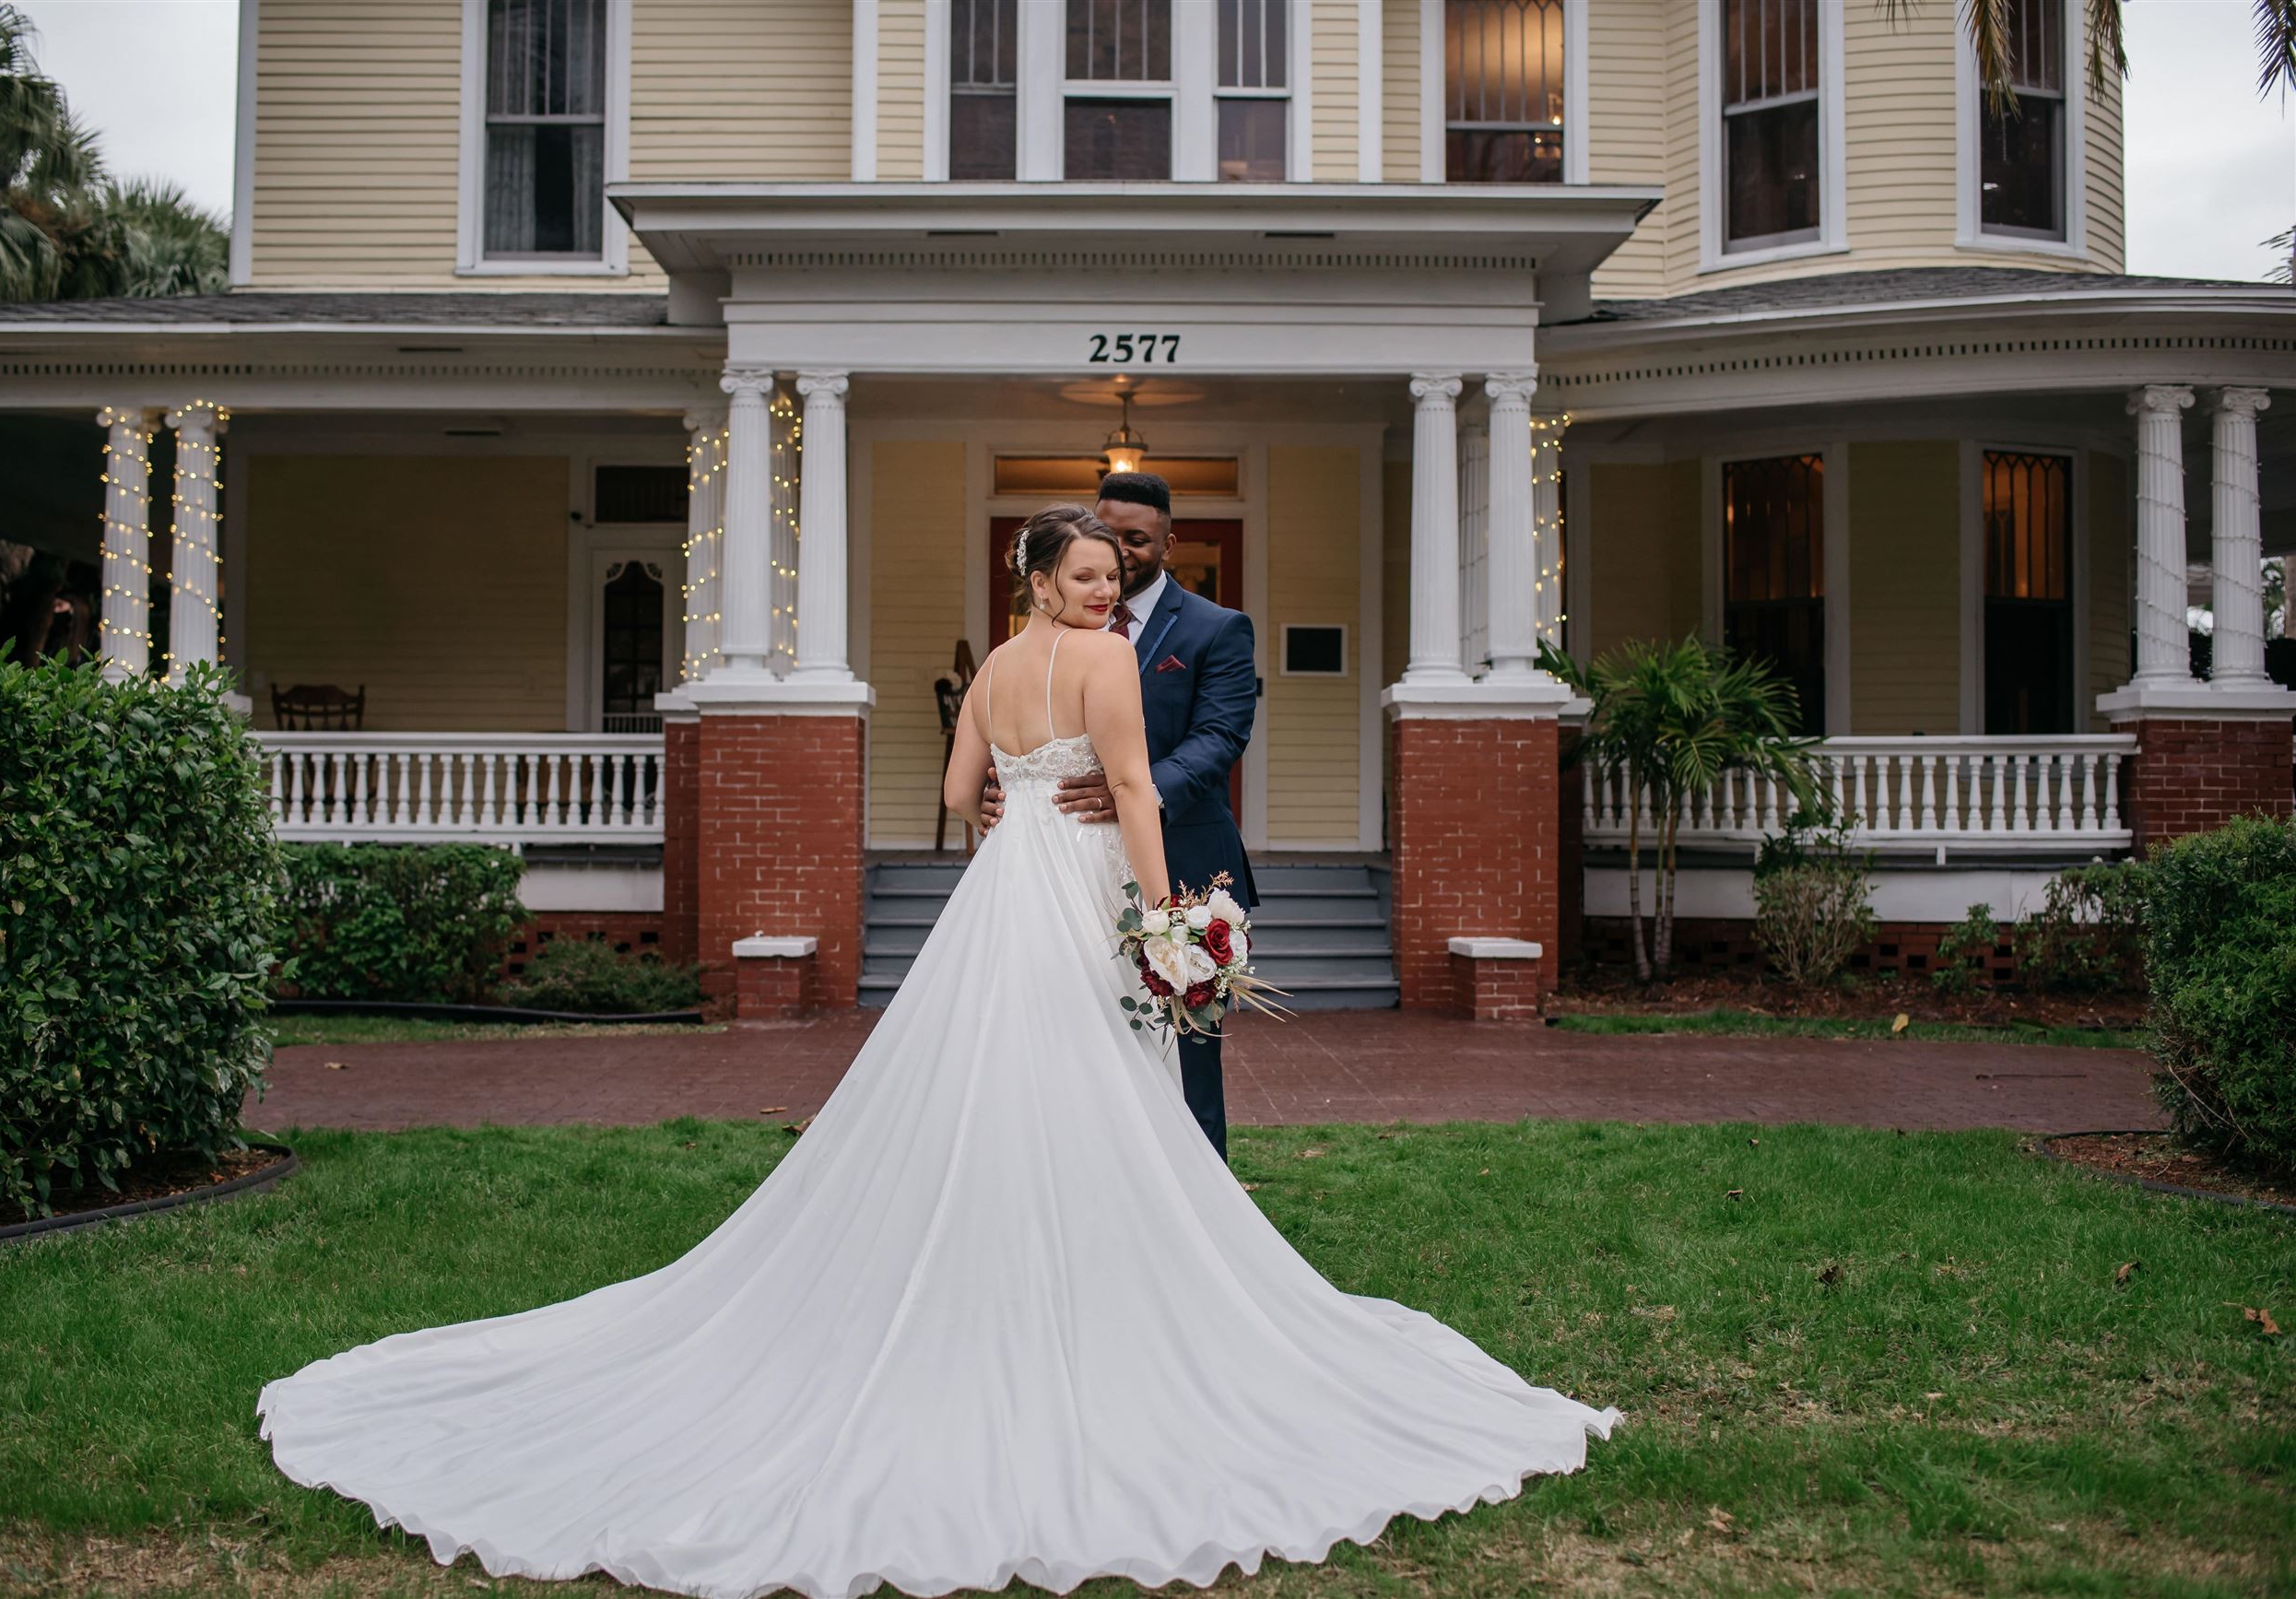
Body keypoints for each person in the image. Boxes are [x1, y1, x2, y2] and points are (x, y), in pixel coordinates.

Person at [257, 503, 1614, 1599]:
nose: (1104, 593)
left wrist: (1009, 816)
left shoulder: (997, 672)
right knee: (1096, 1082)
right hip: (1086, 885)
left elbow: (962, 794)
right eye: (1085, 577)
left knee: (988, 1079)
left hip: (1003, 891)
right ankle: (1090, 1297)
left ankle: (994, 1261)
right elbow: (1131, 788)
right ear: (1043, 580)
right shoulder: (1099, 664)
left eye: (1110, 577)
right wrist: (1162, 917)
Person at [982, 471, 1256, 1162]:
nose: (1122, 553)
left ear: (1169, 544)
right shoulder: (1053, 636)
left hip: (1181, 862)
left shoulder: (1216, 628)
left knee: (1186, 1049)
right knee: (1073, 1043)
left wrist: (1140, 789)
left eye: (1138, 539)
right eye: (1110, 535)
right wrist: (1005, 786)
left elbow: (1220, 735)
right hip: (1069, 873)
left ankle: (1201, 1197)